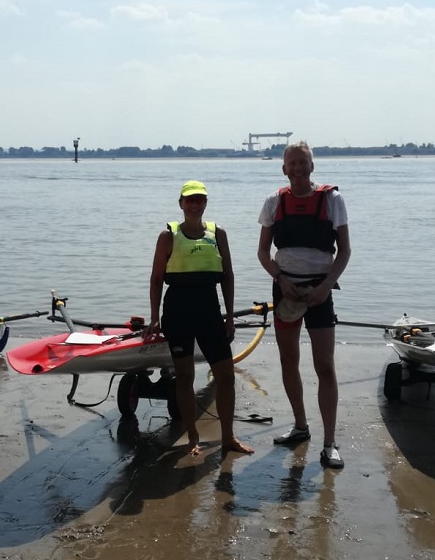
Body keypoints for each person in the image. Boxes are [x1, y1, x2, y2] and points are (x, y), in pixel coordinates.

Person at [257, 142, 351, 469]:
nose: (297, 168)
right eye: (291, 163)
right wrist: (281, 281)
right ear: (284, 168)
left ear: (312, 166)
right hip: (285, 290)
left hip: (320, 291)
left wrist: (325, 286)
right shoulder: (274, 202)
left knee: (325, 365)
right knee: (288, 359)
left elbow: (345, 252)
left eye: (303, 162)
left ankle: (329, 443)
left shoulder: (332, 200)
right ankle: (300, 426)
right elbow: (262, 254)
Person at [144, 180, 254, 456]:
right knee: (185, 376)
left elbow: (227, 276)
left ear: (205, 203)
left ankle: (228, 437)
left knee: (226, 376)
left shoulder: (218, 234)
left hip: (209, 311)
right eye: (189, 200)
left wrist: (229, 317)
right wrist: (154, 318)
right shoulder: (167, 236)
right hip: (178, 312)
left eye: (200, 199)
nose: (194, 204)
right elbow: (157, 279)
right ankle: (192, 437)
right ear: (181, 204)